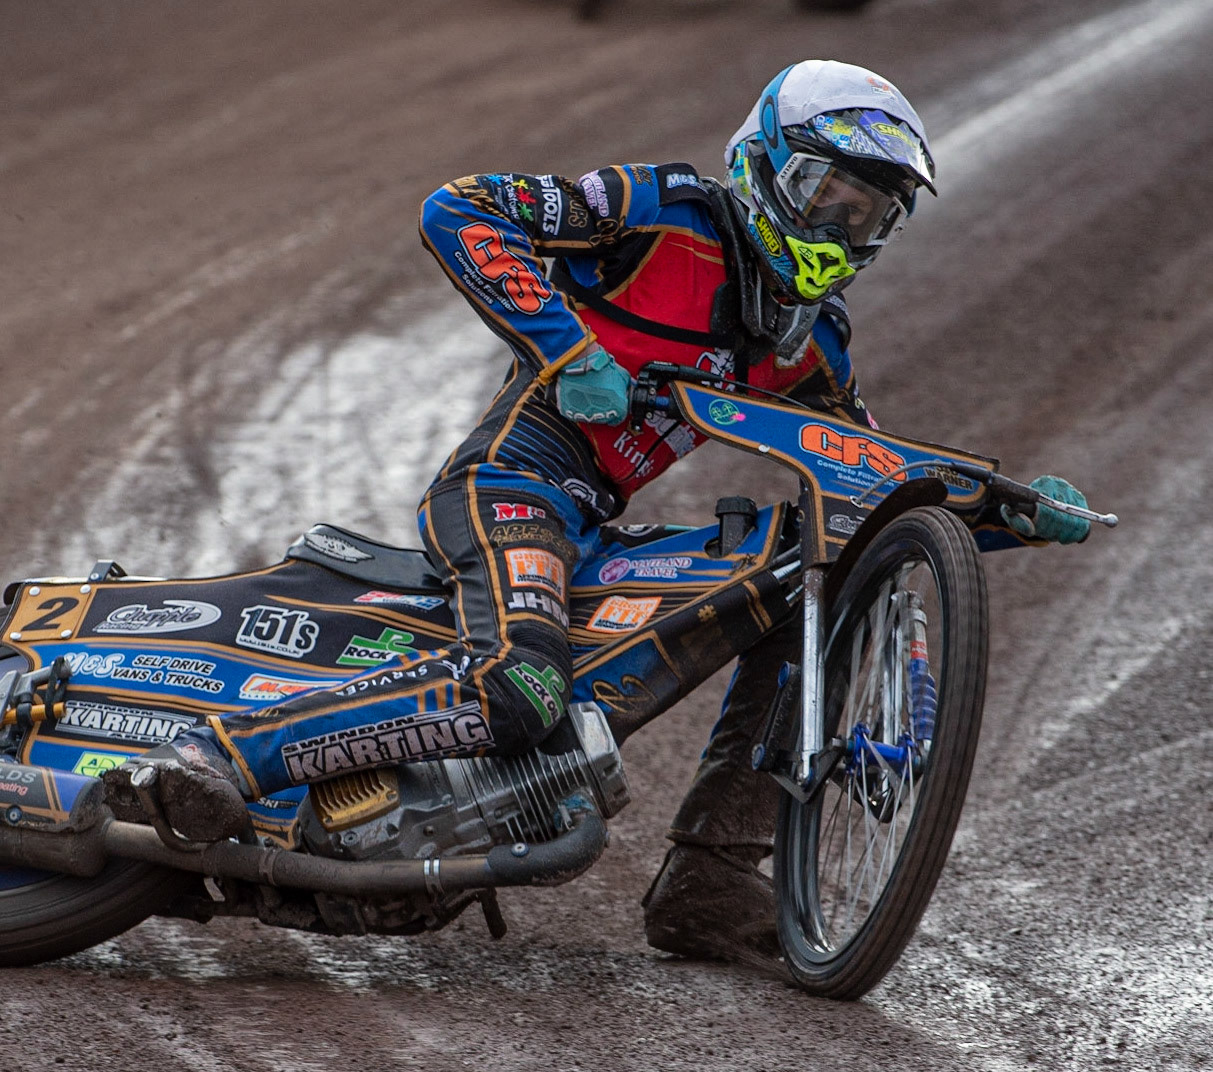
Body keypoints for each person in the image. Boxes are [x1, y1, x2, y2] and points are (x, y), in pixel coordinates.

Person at [110, 60, 1091, 960]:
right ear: (758, 163)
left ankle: (710, 879)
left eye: (864, 213)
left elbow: (868, 482)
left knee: (809, 570)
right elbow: (462, 208)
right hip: (511, 487)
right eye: (820, 193)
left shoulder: (810, 342)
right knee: (521, 687)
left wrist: (1003, 512)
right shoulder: (660, 211)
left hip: (591, 528)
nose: (835, 227)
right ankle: (219, 757)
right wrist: (566, 350)